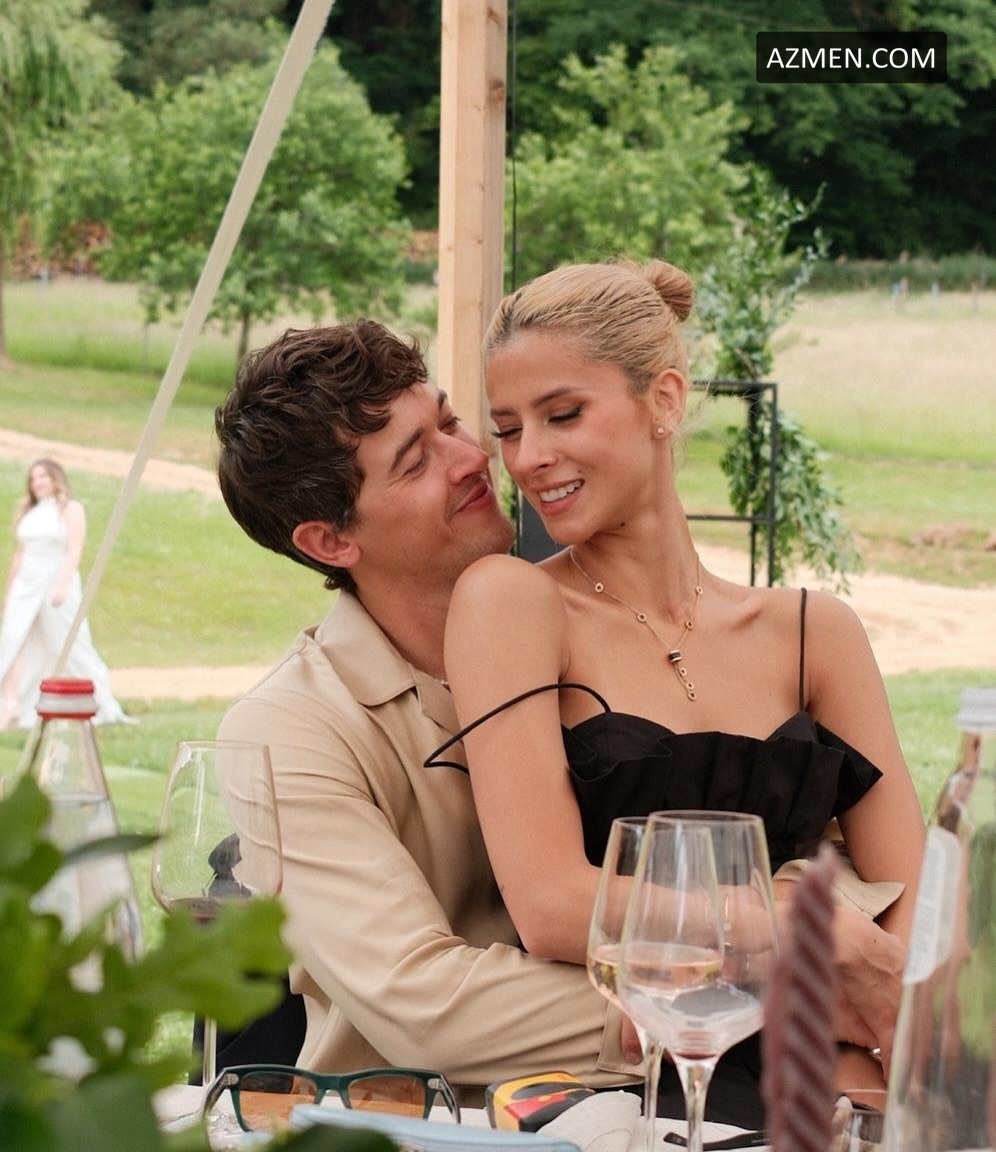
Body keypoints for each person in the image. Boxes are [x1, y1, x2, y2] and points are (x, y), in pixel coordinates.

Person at [214, 318, 910, 1115]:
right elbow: (426, 1005)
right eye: (416, 461)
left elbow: (807, 856)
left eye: (449, 422)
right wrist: (734, 994)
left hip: (683, 1101)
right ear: (330, 540)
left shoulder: (606, 642)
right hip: (441, 1123)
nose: (474, 458)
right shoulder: (290, 729)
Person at [437, 260, 927, 1114]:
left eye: (563, 414)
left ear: (663, 401)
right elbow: (551, 905)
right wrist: (789, 921)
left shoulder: (815, 632)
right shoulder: (509, 602)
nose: (530, 457)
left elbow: (914, 919)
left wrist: (874, 1066)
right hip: (636, 1077)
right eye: (509, 429)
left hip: (838, 1062)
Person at [0, 459, 133, 729]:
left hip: (55, 582)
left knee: (69, 643)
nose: (37, 482)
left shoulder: (71, 509)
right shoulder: (30, 513)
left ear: (55, 478)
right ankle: (12, 703)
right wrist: (10, 590)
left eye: (43, 476)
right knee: (14, 642)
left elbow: (74, 548)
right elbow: (20, 554)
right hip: (26, 586)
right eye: (33, 478)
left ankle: (97, 701)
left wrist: (61, 585)